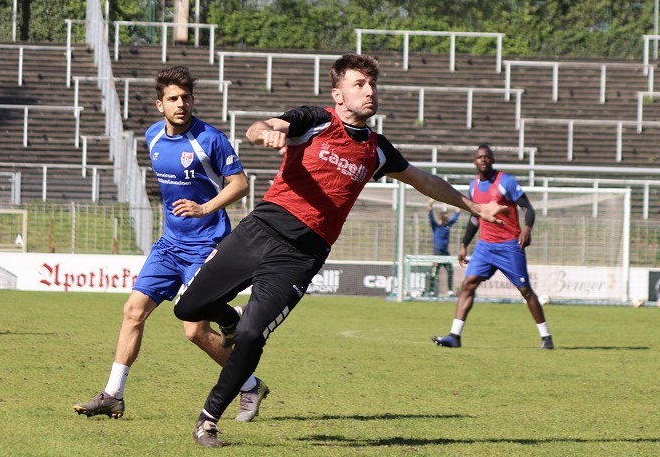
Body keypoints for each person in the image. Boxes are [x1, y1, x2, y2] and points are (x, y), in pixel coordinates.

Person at [174, 54, 507, 447]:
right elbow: (260, 127)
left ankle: (208, 420)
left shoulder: (378, 150)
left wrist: (477, 206)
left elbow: (423, 180)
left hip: (300, 258)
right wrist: (266, 134)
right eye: (359, 84)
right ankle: (228, 318)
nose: (369, 92)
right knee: (188, 309)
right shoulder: (315, 119)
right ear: (339, 93)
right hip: (260, 230)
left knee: (251, 336)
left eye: (372, 85)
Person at [73, 66, 268, 423]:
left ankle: (250, 385)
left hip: (206, 246)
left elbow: (240, 184)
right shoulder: (152, 137)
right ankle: (113, 395)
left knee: (194, 331)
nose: (181, 104)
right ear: (159, 104)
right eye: (173, 99)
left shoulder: (210, 138)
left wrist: (205, 208)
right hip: (168, 246)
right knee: (133, 311)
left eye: (186, 98)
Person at [432, 144, 554, 350]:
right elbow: (474, 217)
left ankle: (546, 337)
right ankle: (455, 336)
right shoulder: (472, 187)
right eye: (480, 156)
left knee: (525, 290)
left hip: (509, 245)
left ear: (492, 159)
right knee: (468, 284)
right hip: (485, 247)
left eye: (487, 156)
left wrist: (527, 229)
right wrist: (464, 244)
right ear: (474, 161)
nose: (484, 159)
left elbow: (527, 208)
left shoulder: (506, 181)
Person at [427, 200, 459, 297]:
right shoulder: (436, 226)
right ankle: (431, 290)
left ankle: (449, 291)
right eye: (445, 218)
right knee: (434, 272)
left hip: (445, 253)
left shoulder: (447, 226)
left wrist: (457, 205)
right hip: (437, 253)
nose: (447, 220)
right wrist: (430, 204)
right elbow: (430, 215)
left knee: (450, 270)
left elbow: (456, 215)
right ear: (441, 218)